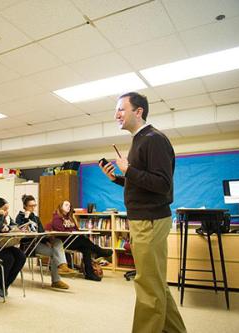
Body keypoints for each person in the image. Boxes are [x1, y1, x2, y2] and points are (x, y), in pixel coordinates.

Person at [100, 92, 186, 333]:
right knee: (155, 284)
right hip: (142, 220)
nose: (116, 114)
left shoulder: (154, 139)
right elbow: (142, 184)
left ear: (138, 111)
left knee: (148, 287)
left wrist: (128, 170)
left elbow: (162, 185)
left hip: (150, 220)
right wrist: (118, 177)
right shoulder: (139, 139)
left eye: (121, 109)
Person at [15, 195, 76, 289]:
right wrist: (26, 218)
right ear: (25, 206)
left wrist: (48, 239)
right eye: (31, 206)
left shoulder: (36, 218)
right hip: (29, 245)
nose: (33, 208)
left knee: (58, 241)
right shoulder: (19, 217)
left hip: (39, 243)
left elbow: (41, 232)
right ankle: (56, 279)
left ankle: (62, 266)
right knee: (56, 253)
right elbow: (21, 232)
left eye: (34, 205)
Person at [51, 200, 113, 281]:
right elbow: (61, 231)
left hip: (74, 241)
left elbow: (76, 229)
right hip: (65, 242)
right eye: (66, 205)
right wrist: (74, 232)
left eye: (69, 206)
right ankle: (98, 250)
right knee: (83, 239)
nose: (69, 207)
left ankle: (89, 273)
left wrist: (82, 232)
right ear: (60, 206)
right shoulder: (57, 218)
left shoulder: (70, 218)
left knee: (87, 249)